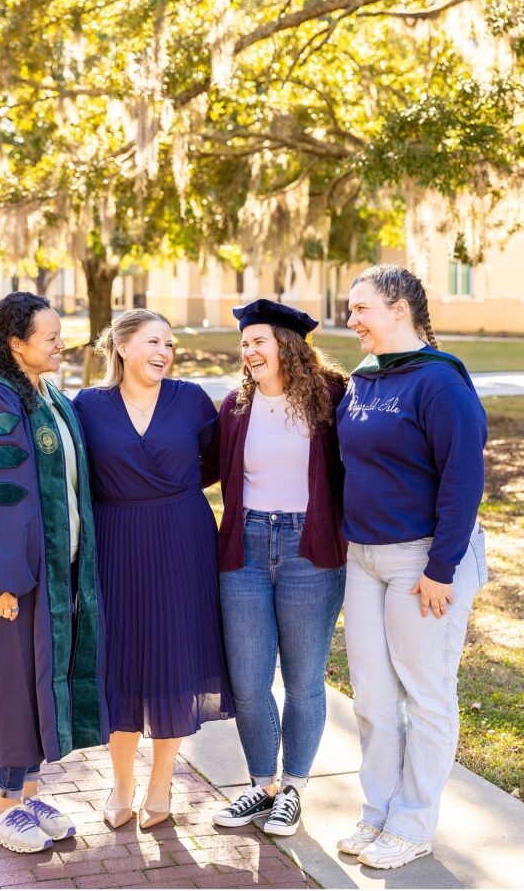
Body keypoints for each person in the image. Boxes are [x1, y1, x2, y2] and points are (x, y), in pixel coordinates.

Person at [0, 292, 109, 854]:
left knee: (41, 687)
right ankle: (1, 806)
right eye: (50, 337)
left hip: (54, 572)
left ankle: (29, 794)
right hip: (15, 582)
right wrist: (0, 581)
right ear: (16, 344)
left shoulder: (47, 395)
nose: (62, 344)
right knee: (17, 689)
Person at [335, 265, 488, 870]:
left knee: (426, 697)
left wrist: (441, 568)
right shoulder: (364, 379)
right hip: (364, 558)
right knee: (372, 697)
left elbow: (463, 479)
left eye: (361, 308)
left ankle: (412, 823)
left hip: (424, 561)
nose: (351, 319)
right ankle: (378, 812)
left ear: (399, 308)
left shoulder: (440, 382)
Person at [73, 308, 234, 831]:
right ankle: (121, 783)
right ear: (121, 346)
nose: (163, 352)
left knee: (172, 657)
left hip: (182, 539)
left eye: (168, 343)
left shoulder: (191, 400)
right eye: (152, 342)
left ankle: (161, 781)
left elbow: (216, 461)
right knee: (118, 660)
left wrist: (172, 489)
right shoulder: (88, 406)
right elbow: (74, 473)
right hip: (115, 540)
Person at [207, 298, 348, 837]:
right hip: (244, 548)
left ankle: (293, 789)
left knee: (304, 679)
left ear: (287, 345)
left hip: (309, 549)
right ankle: (261, 785)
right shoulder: (235, 408)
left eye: (258, 341)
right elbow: (199, 468)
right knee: (247, 680)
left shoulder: (330, 399)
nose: (248, 351)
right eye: (244, 344)